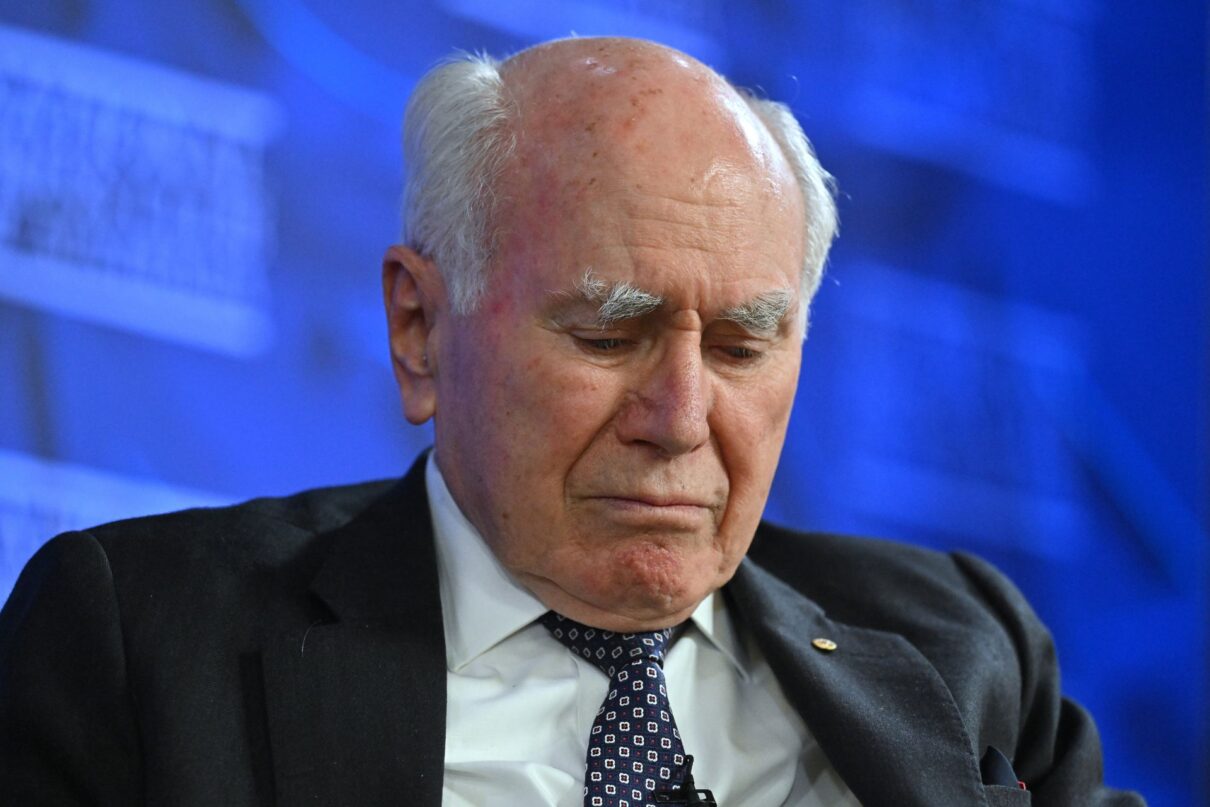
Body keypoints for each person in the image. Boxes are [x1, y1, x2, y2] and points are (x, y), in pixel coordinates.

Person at [0, 36, 1142, 807]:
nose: (680, 417)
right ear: (418, 328)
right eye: (606, 334)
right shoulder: (144, 641)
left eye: (744, 346)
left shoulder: (964, 647)